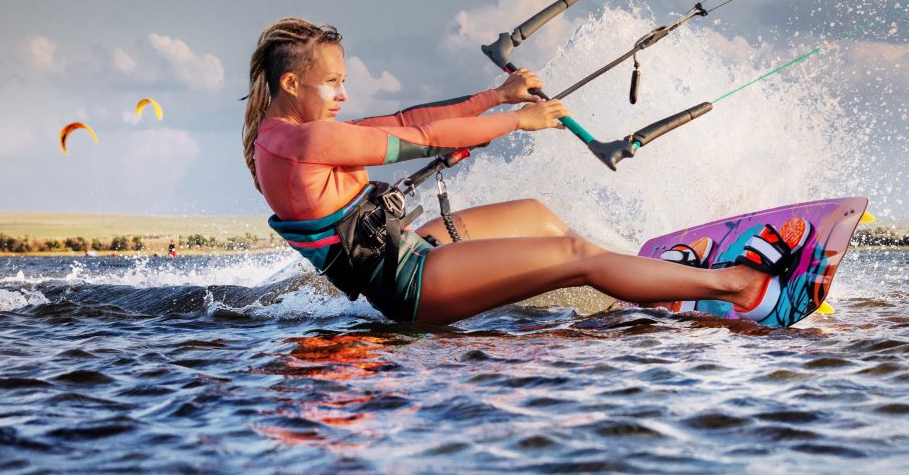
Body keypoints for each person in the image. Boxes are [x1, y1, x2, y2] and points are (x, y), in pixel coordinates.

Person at [242, 18, 821, 327]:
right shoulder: (307, 140)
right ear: (293, 83)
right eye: (333, 82)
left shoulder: (281, 133)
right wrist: (519, 121)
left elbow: (406, 116)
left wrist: (495, 95)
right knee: (576, 258)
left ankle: (649, 285)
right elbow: (419, 139)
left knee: (538, 218)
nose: (343, 93)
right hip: (409, 283)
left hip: (402, 246)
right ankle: (743, 288)